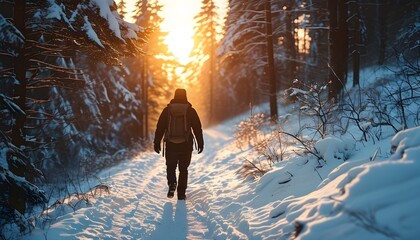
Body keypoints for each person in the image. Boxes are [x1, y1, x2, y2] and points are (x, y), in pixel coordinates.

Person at [153, 89, 204, 200]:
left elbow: (160, 128)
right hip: (186, 145)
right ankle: (181, 194)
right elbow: (197, 128)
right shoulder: (190, 111)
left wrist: (156, 142)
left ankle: (172, 184)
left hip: (171, 145)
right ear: (185, 96)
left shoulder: (167, 111)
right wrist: (200, 142)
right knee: (183, 169)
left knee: (170, 167)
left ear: (174, 96)